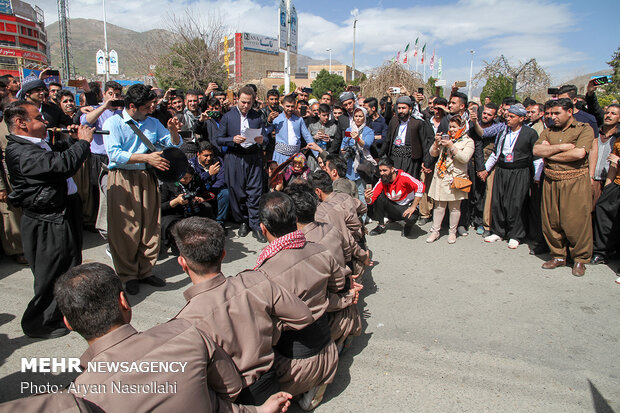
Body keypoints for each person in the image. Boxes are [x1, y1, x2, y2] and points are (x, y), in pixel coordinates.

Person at [54, 262, 293, 413]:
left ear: (69, 323)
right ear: (124, 302)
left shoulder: (79, 397)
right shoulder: (186, 332)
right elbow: (229, 388)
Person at [172, 217, 314, 405]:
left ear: (182, 262)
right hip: (271, 383)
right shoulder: (256, 282)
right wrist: (265, 328)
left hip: (232, 402)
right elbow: (303, 316)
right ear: (223, 254)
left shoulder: (184, 324)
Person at [4, 101, 93, 338]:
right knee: (50, 272)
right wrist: (83, 142)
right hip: (46, 220)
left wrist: (73, 140)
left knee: (69, 265)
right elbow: (61, 165)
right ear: (21, 123)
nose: (45, 122)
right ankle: (39, 322)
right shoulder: (21, 151)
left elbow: (60, 155)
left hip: (62, 212)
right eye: (38, 118)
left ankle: (63, 313)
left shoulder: (35, 143)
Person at [254, 192, 342, 410]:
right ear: (295, 221)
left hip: (294, 365)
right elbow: (338, 287)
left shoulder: (263, 274)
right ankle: (317, 382)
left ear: (263, 228)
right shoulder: (321, 251)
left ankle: (296, 389)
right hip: (328, 353)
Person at [103, 84, 182, 295]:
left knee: (149, 225)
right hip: (123, 177)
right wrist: (146, 157)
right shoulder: (114, 123)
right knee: (126, 229)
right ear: (132, 106)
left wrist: (174, 132)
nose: (151, 109)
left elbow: (172, 144)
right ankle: (127, 274)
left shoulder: (154, 122)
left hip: (147, 177)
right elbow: (114, 154)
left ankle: (146, 270)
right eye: (147, 107)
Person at [284, 185, 363, 351]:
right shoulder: (330, 228)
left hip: (331, 311)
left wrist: (347, 296)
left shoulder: (303, 248)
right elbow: (348, 253)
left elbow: (317, 298)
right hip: (343, 289)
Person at [533, 98, 594, 277]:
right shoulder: (548, 131)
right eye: (550, 114)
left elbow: (578, 153)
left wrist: (550, 153)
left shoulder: (584, 129)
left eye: (557, 113)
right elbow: (536, 151)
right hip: (551, 180)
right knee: (552, 220)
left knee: (575, 222)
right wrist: (562, 148)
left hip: (574, 181)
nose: (553, 117)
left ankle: (580, 259)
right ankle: (558, 256)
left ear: (570, 112)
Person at [481, 104, 541, 249]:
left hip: (520, 172)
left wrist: (537, 175)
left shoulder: (530, 133)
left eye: (512, 117)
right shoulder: (503, 132)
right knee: (498, 201)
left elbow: (537, 157)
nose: (508, 119)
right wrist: (486, 169)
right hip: (502, 170)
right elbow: (496, 153)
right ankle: (498, 231)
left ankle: (516, 235)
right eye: (508, 116)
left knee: (516, 203)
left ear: (521, 118)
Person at [216, 86, 268, 242]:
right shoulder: (227, 117)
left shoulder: (257, 116)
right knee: (237, 192)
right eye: (243, 102)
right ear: (237, 99)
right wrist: (232, 139)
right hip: (235, 157)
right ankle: (243, 221)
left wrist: (262, 140)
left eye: (249, 103)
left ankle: (255, 225)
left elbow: (266, 137)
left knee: (255, 191)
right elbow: (219, 139)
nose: (246, 106)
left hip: (253, 157)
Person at [426, 115, 475, 244]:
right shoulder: (445, 138)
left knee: (455, 207)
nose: (452, 130)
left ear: (462, 127)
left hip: (455, 177)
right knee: (439, 205)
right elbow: (433, 153)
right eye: (450, 127)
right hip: (441, 175)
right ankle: (435, 231)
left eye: (455, 127)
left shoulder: (468, 141)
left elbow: (465, 158)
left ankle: (452, 232)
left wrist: (452, 146)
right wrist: (436, 143)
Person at [364, 157, 425, 237]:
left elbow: (421, 186)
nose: (382, 173)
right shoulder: (382, 181)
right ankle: (381, 225)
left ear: (392, 169)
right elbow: (372, 199)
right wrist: (367, 198)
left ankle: (408, 226)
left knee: (412, 218)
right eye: (380, 171)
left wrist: (413, 206)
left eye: (384, 170)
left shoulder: (403, 177)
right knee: (379, 197)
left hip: (405, 206)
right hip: (392, 206)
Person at [380, 96, 432, 180]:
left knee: (409, 183)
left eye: (403, 108)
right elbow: (387, 140)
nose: (401, 111)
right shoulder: (394, 121)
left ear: (410, 108)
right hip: (395, 158)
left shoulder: (417, 122)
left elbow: (424, 143)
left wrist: (426, 162)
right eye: (399, 108)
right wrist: (380, 155)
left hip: (411, 160)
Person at [590, 131, 620, 275]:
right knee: (602, 211)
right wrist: (608, 187)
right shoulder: (618, 140)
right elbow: (613, 167)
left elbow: (616, 161)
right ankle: (601, 252)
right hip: (616, 185)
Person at [189, 140, 229, 228]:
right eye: (206, 155)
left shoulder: (218, 161)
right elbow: (194, 181)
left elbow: (222, 180)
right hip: (198, 191)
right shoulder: (191, 164)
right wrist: (208, 174)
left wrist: (210, 191)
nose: (209, 158)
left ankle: (220, 222)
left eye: (211, 155)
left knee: (226, 193)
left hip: (213, 190)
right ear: (198, 154)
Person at [341, 106, 375, 207]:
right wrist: (344, 150)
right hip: (350, 164)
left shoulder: (368, 131)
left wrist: (357, 139)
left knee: (361, 192)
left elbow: (367, 144)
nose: (358, 118)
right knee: (351, 192)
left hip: (362, 165)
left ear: (364, 117)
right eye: (356, 116)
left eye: (360, 116)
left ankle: (363, 216)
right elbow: (343, 144)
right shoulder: (349, 129)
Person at [271, 95, 315, 164]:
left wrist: (317, 153)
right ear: (283, 105)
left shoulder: (299, 119)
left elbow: (307, 136)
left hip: (295, 157)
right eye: (287, 106)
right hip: (280, 156)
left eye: (292, 106)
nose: (290, 109)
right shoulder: (276, 119)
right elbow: (266, 131)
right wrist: (269, 121)